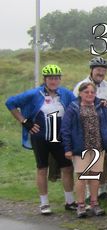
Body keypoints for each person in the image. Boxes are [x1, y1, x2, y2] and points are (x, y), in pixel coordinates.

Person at [6, 64, 76, 214]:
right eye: (51, 78)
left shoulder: (66, 94)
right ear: (45, 79)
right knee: (42, 168)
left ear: (60, 79)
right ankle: (44, 203)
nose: (54, 81)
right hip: (40, 136)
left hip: (60, 136)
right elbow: (10, 103)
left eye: (56, 78)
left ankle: (70, 201)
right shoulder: (34, 94)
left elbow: (78, 105)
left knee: (67, 168)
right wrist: (25, 122)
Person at [61, 81, 107, 218]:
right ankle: (81, 205)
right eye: (86, 92)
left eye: (92, 92)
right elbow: (65, 129)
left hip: (97, 146)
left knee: (95, 176)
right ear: (80, 93)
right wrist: (68, 148)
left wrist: (106, 142)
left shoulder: (101, 106)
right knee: (82, 177)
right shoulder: (72, 108)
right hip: (80, 147)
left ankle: (94, 203)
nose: (89, 94)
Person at [74, 56, 107, 199]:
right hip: (85, 131)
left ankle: (102, 189)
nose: (101, 73)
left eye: (103, 70)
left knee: (103, 160)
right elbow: (74, 108)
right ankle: (86, 193)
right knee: (86, 161)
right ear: (91, 70)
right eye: (98, 70)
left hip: (103, 130)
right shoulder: (82, 85)